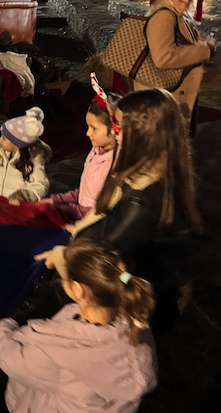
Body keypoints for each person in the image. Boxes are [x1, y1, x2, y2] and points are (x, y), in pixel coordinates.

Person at [35, 88, 203, 334]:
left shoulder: (142, 198)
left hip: (131, 302)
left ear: (142, 133)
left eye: (119, 124)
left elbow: (103, 247)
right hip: (140, 286)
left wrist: (63, 256)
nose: (114, 130)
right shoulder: (149, 172)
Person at [0, 238, 157, 413]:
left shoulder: (55, 353)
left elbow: (11, 360)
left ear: (78, 290)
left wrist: (2, 327)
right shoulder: (136, 320)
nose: (63, 280)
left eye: (65, 275)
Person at [137, 0, 214, 126]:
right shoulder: (164, 16)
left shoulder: (177, 15)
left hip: (172, 94)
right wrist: (203, 50)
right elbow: (163, 58)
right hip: (164, 100)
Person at [43, 73, 118, 222]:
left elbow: (102, 213)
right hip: (80, 219)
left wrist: (70, 210)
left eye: (94, 128)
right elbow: (86, 193)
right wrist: (57, 200)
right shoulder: (96, 152)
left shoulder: (115, 166)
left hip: (91, 229)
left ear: (115, 129)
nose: (87, 133)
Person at [0, 107, 52, 203]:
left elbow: (40, 185)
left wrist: (23, 197)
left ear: (16, 143)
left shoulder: (32, 161)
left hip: (18, 208)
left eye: (4, 138)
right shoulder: (0, 154)